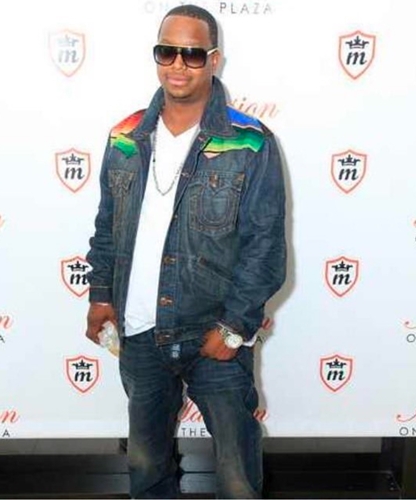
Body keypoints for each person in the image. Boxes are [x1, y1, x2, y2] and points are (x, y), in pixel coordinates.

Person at [85, 5, 287, 498]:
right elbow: (107, 226)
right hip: (139, 332)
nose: (178, 64)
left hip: (212, 333)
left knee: (238, 477)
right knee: (146, 467)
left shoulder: (250, 142)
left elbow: (264, 246)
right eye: (167, 51)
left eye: (192, 54)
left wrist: (234, 326)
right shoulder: (126, 135)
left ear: (214, 59)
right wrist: (100, 295)